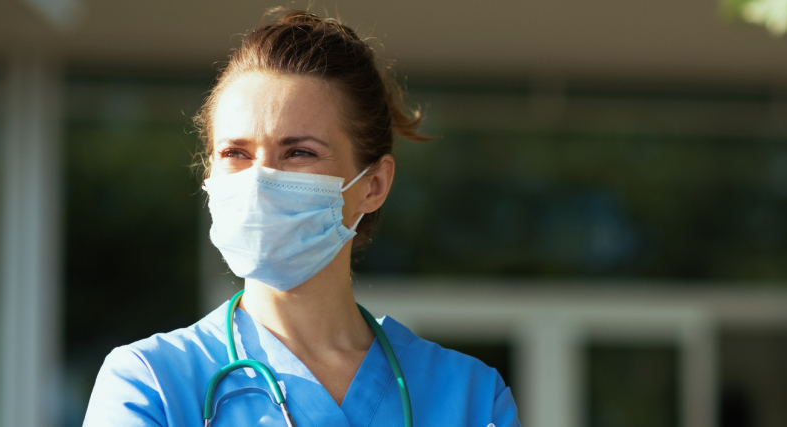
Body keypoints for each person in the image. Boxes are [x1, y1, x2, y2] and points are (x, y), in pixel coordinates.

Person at [82, 9, 520, 427]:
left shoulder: (469, 398)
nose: (260, 180)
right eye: (235, 153)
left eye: (299, 153)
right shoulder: (151, 385)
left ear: (374, 185)